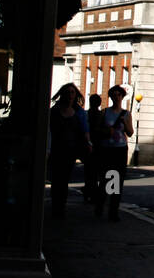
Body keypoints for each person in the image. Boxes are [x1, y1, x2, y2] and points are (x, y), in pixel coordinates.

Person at [49, 83, 89, 219]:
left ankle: (61, 207)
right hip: (56, 149)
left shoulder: (79, 113)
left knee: (64, 179)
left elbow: (84, 132)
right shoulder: (54, 111)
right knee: (56, 179)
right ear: (63, 94)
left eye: (73, 92)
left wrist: (87, 145)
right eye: (68, 92)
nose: (70, 95)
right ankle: (56, 205)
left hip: (70, 151)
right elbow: (49, 131)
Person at [94, 85, 134, 221]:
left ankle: (113, 211)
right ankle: (100, 206)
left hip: (120, 150)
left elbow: (130, 132)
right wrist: (106, 130)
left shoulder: (126, 114)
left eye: (119, 95)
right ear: (110, 97)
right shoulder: (105, 112)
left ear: (122, 97)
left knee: (117, 181)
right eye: (114, 95)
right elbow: (97, 130)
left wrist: (125, 123)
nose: (116, 97)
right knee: (105, 179)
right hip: (106, 150)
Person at [83, 94, 105, 203]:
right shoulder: (102, 115)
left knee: (89, 171)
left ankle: (88, 192)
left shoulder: (86, 114)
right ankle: (95, 193)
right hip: (99, 146)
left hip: (88, 146)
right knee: (97, 172)